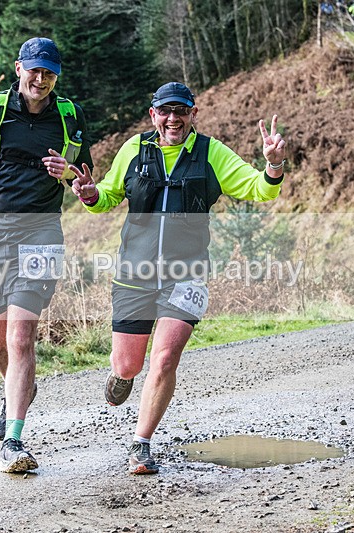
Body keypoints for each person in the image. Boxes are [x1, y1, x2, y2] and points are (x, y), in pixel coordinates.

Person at [69, 82, 286, 475]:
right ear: (153, 114)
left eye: (181, 111)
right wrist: (88, 193)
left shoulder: (210, 153)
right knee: (129, 364)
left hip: (186, 275)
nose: (173, 119)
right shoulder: (134, 150)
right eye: (165, 111)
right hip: (134, 274)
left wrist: (272, 166)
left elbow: (260, 190)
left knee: (165, 357)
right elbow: (106, 197)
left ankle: (141, 444)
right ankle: (121, 375)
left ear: (193, 113)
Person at [0, 37, 93, 473]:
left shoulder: (70, 117)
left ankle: (13, 440)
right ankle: (13, 390)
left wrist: (72, 176)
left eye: (49, 72)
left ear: (57, 76)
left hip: (41, 234)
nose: (40, 79)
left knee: (20, 337)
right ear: (18, 69)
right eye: (34, 70)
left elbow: (84, 181)